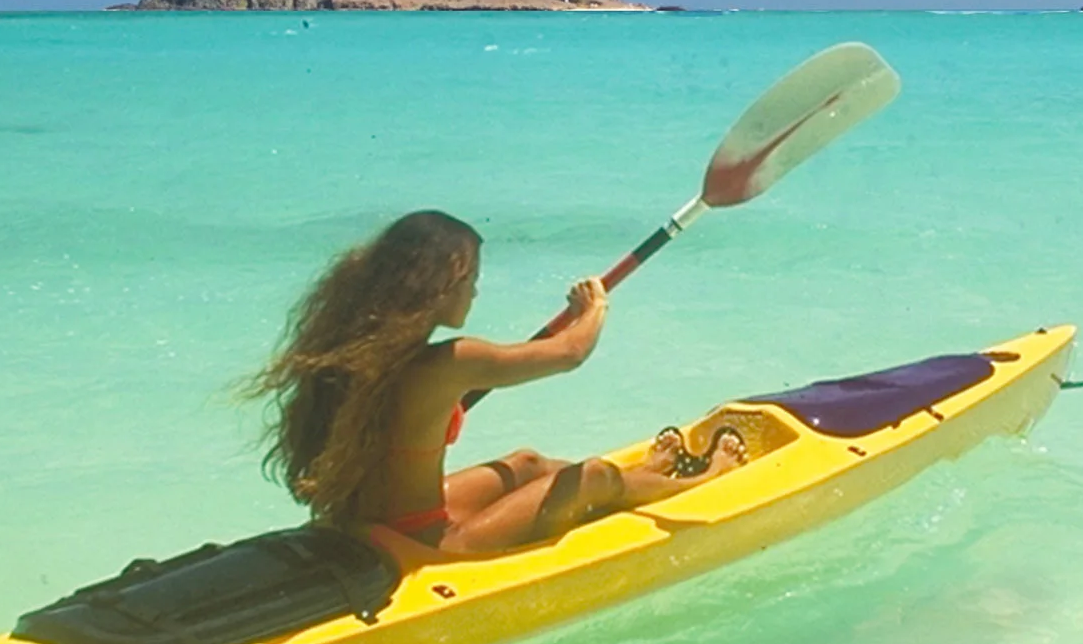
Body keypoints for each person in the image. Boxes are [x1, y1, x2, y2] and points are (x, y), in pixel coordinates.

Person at [247, 210, 741, 555]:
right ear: (442, 285)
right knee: (591, 476)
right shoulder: (453, 362)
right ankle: (705, 478)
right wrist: (595, 308)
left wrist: (572, 316)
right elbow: (569, 354)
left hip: (372, 526)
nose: (477, 290)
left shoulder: (362, 349)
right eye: (471, 279)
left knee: (525, 464)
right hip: (428, 541)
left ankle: (647, 476)